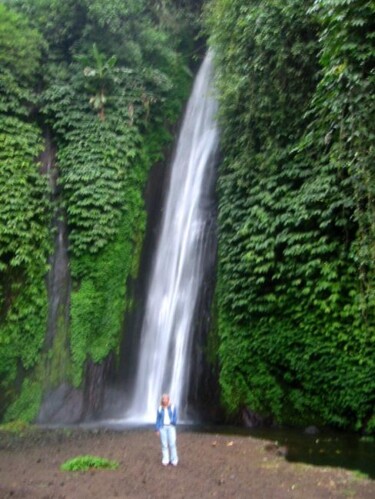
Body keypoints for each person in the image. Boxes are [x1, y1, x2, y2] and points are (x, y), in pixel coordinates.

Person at [155, 393, 178, 466]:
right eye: (163, 399)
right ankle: (165, 459)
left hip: (171, 427)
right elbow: (158, 419)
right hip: (162, 427)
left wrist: (173, 422)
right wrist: (157, 429)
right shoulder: (159, 408)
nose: (164, 400)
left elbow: (175, 416)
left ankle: (174, 459)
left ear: (168, 400)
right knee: (164, 444)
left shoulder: (173, 407)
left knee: (172, 443)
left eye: (165, 399)